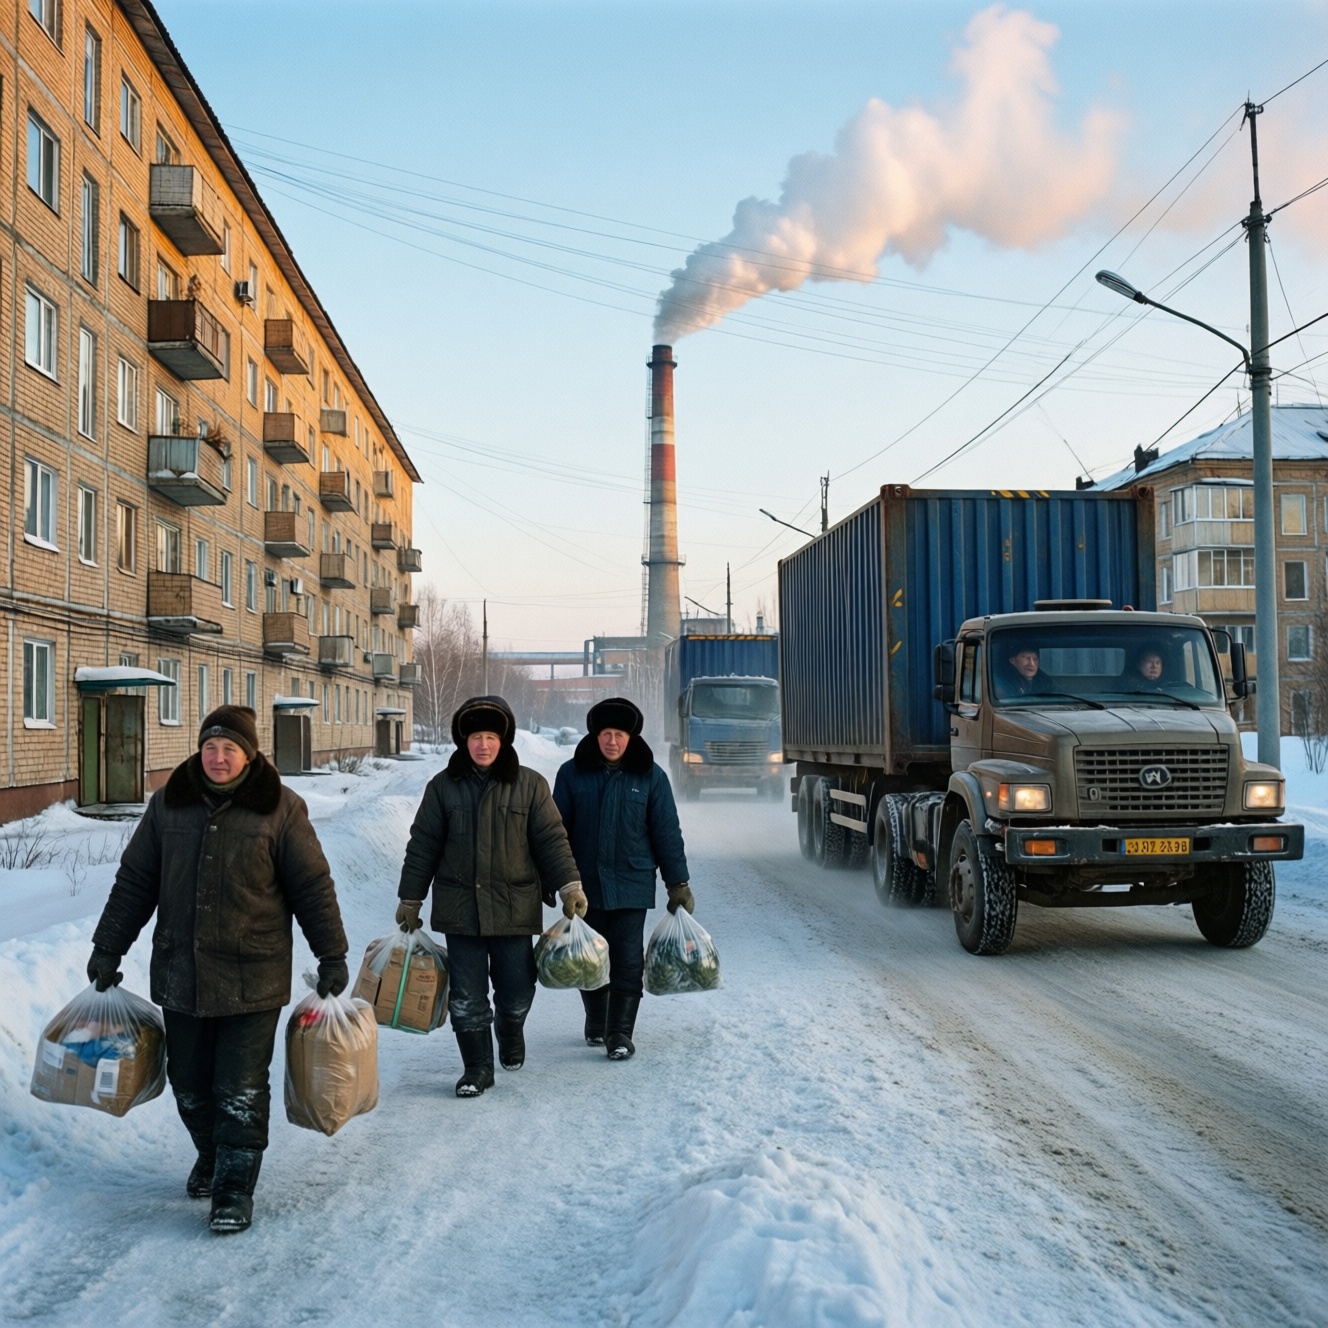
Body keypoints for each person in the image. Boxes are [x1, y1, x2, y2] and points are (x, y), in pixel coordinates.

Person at [88, 705, 348, 1235]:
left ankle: (233, 1186)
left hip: (254, 974)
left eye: (230, 748)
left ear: (249, 755)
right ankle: (211, 1154)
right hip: (182, 974)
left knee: (240, 1086)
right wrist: (108, 948)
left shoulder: (281, 809)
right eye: (211, 746)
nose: (218, 756)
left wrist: (332, 954)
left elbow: (312, 887)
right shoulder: (168, 805)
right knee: (188, 1084)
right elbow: (136, 881)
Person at [395, 695, 581, 1098]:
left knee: (517, 990)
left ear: (504, 740)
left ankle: (511, 1029)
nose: (483, 744)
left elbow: (552, 840)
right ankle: (477, 1068)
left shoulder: (530, 784)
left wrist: (569, 886)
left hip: (515, 907)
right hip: (460, 910)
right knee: (466, 995)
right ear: (464, 741)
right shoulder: (443, 787)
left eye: (491, 737)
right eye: (476, 736)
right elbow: (423, 844)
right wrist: (410, 899)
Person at [552, 697, 691, 1061]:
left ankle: (620, 1033)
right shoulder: (571, 774)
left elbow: (666, 832)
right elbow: (554, 833)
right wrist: (555, 880)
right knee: (589, 957)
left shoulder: (650, 776)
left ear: (631, 737)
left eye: (619, 734)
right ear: (595, 735)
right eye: (606, 733)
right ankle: (597, 1019)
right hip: (585, 886)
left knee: (628, 959)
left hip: (632, 883)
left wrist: (677, 883)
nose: (612, 741)